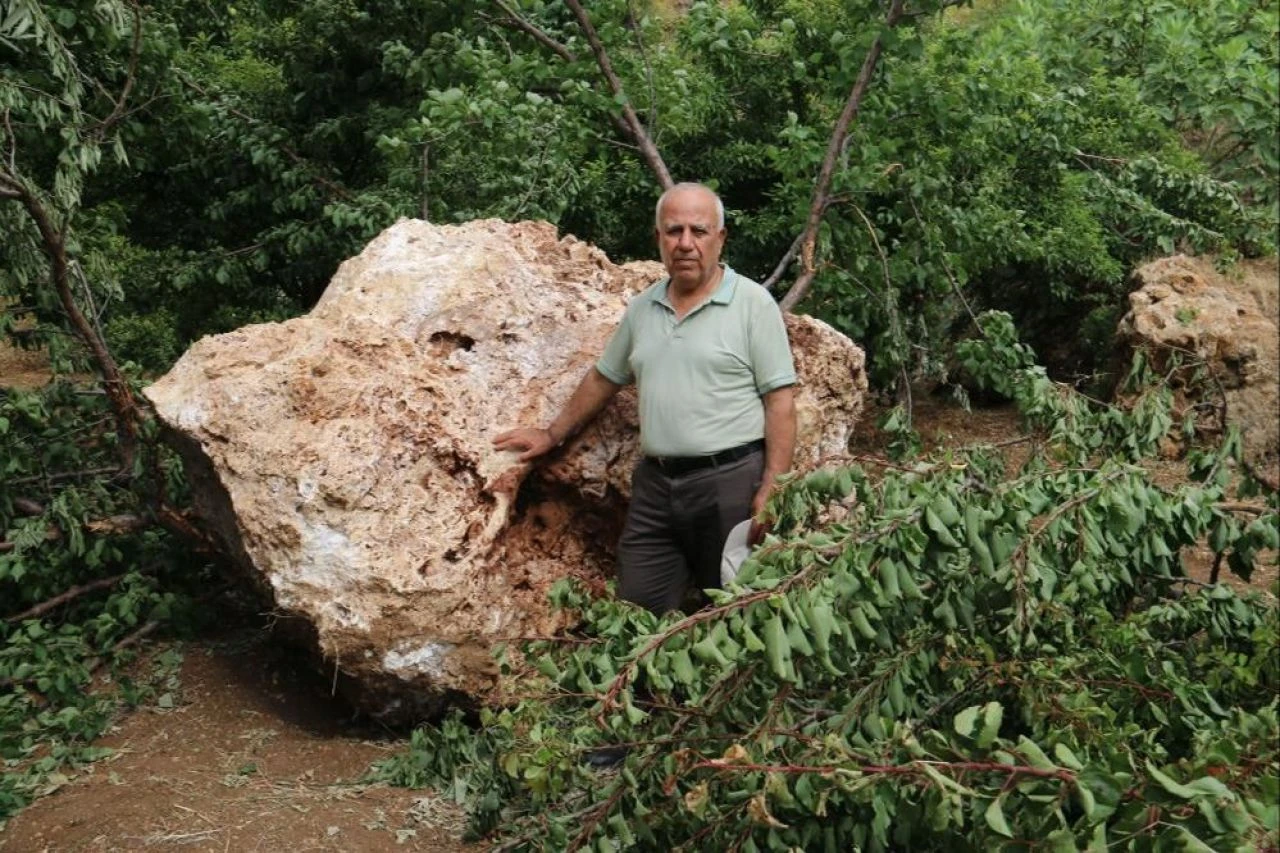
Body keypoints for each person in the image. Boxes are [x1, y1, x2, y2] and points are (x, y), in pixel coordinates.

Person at [493, 182, 797, 616]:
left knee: (735, 609)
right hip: (656, 487)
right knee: (636, 609)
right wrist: (551, 433)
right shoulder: (643, 308)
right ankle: (648, 686)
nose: (686, 244)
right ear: (658, 239)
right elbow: (605, 377)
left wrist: (773, 487)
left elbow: (780, 402)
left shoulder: (752, 304)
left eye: (699, 231)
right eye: (674, 231)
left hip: (729, 482)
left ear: (721, 238)